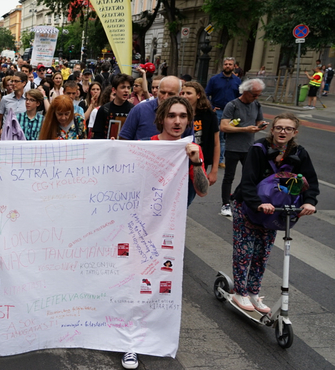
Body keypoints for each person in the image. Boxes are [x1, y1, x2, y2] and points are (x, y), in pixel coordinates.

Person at [122, 96, 210, 370]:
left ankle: (153, 335)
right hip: (140, 229)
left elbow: (203, 189)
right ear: (162, 118)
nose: (178, 121)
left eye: (183, 116)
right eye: (172, 115)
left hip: (170, 232)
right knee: (134, 285)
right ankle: (129, 344)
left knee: (162, 286)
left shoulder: (191, 148)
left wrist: (195, 162)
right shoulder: (146, 146)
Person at [229, 112, 318, 313]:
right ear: (272, 129)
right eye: (279, 128)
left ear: (295, 132)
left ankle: (253, 291)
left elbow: (310, 182)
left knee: (262, 253)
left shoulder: (300, 153)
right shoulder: (258, 149)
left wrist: (310, 202)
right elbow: (248, 181)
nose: (282, 132)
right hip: (248, 205)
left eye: (288, 129)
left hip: (275, 209)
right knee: (245, 251)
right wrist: (258, 203)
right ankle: (239, 291)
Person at [218, 79, 269, 217]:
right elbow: (223, 127)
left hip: (249, 147)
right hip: (233, 147)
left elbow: (258, 121)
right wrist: (245, 129)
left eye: (258, 95)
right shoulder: (232, 105)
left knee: (251, 176)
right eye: (254, 94)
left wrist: (261, 125)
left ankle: (236, 197)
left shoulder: (256, 104)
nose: (256, 97)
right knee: (229, 177)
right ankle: (225, 204)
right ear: (245, 91)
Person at [181, 81, 220, 185]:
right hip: (180, 161)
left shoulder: (209, 115)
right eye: (182, 93)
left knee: (193, 192)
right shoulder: (178, 113)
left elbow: (216, 143)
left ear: (198, 95)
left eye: (189, 93)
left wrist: (214, 170)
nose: (185, 96)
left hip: (199, 161)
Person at [206, 57, 242, 168]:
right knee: (212, 135)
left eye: (230, 64)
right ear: (223, 65)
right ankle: (209, 157)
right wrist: (211, 106)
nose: (227, 66)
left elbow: (240, 96)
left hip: (230, 114)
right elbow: (206, 94)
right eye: (226, 64)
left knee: (223, 137)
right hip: (217, 111)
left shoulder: (237, 81)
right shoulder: (214, 79)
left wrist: (237, 109)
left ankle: (220, 160)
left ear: (234, 66)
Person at [119, 75, 179, 140]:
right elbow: (124, 139)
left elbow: (189, 142)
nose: (165, 97)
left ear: (179, 94)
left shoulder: (184, 114)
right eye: (163, 92)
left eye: (171, 94)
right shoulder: (139, 110)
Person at [92, 75, 134, 139]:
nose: (126, 90)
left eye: (128, 88)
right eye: (123, 87)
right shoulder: (104, 109)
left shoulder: (133, 110)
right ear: (114, 90)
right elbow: (97, 136)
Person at [0, 71, 29, 139]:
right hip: (7, 135)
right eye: (12, 81)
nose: (13, 84)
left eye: (16, 81)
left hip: (23, 135)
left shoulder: (28, 99)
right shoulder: (5, 99)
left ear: (24, 83)